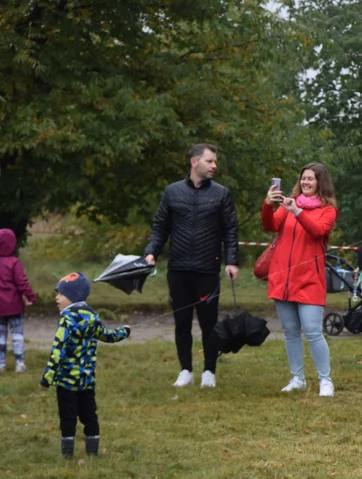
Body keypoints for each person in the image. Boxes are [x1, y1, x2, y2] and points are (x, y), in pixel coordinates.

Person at [144, 143, 239, 388]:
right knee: (182, 323)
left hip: (207, 269)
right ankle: (185, 370)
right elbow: (160, 226)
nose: (214, 166)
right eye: (210, 161)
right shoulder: (172, 192)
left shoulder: (221, 194)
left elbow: (230, 230)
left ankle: (209, 371)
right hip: (178, 269)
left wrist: (231, 261)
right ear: (194, 162)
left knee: (209, 324)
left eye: (215, 161)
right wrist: (151, 252)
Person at [263, 162, 339, 397]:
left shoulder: (328, 210)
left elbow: (317, 231)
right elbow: (270, 225)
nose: (305, 182)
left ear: (320, 183)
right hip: (282, 279)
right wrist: (268, 204)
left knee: (313, 331)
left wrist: (297, 211)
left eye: (310, 179)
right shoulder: (287, 206)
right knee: (291, 332)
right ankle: (297, 378)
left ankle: (325, 380)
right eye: (303, 178)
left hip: (309, 280)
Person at [38, 273, 131, 458]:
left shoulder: (67, 320)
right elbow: (108, 336)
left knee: (68, 418)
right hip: (87, 380)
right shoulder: (92, 316)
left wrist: (46, 379)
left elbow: (58, 351)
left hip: (67, 382)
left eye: (61, 294)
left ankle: (67, 455)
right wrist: (124, 331)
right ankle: (92, 453)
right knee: (90, 415)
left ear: (72, 296)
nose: (57, 297)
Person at [0, 227, 37, 373]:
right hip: (14, 306)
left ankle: (1, 364)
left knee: (0, 336)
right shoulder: (14, 263)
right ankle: (20, 363)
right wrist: (31, 297)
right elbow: (22, 282)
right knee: (17, 334)